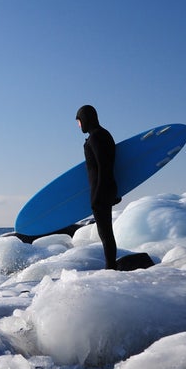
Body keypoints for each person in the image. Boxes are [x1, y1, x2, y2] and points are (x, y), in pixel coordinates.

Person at [76, 104, 119, 269]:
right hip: (105, 189)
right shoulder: (103, 135)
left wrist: (99, 194)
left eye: (79, 122)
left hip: (100, 191)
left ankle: (110, 267)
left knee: (105, 233)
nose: (79, 126)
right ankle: (111, 265)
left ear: (86, 119)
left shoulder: (96, 137)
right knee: (106, 232)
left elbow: (104, 166)